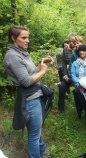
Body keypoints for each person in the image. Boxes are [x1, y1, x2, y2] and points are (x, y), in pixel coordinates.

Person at [3, 26, 52, 158]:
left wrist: (41, 64)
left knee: (35, 129)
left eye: (28, 37)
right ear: (14, 38)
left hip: (35, 95)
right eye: (23, 37)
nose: (27, 40)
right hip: (30, 99)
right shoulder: (12, 56)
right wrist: (42, 71)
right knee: (34, 136)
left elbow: (31, 73)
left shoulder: (22, 52)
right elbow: (26, 81)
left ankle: (43, 149)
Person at [71, 44, 86, 131]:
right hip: (79, 89)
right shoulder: (75, 63)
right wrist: (79, 84)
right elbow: (73, 75)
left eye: (84, 50)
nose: (81, 52)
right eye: (80, 50)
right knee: (85, 106)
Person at [57, 33, 77, 112]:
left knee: (79, 92)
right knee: (62, 87)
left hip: (78, 76)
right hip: (68, 74)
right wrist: (65, 74)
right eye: (70, 41)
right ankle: (60, 109)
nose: (72, 43)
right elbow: (64, 63)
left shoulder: (80, 49)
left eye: (74, 41)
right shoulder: (65, 50)